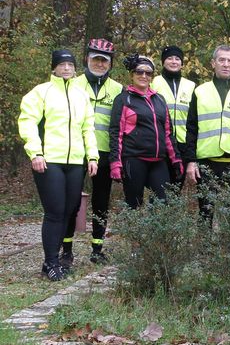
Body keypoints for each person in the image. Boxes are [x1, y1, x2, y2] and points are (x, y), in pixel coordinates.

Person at [18, 50, 99, 280]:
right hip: (49, 160)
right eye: (62, 64)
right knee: (54, 212)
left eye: (70, 65)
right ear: (53, 68)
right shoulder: (40, 93)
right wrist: (35, 152)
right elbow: (28, 123)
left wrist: (92, 157)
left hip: (75, 162)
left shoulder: (81, 95)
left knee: (69, 210)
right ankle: (50, 262)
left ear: (75, 68)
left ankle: (58, 259)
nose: (66, 68)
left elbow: (88, 128)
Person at [61, 38, 123, 265]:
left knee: (101, 201)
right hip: (76, 151)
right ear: (87, 59)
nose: (99, 64)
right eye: (95, 59)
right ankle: (66, 249)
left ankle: (98, 248)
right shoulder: (73, 84)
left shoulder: (118, 89)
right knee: (72, 201)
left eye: (104, 61)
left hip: (104, 152)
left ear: (110, 64)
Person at [184, 44, 230, 221]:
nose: (226, 64)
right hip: (206, 163)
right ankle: (205, 249)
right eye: (222, 60)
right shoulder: (200, 91)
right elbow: (191, 129)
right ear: (213, 63)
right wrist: (190, 161)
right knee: (205, 214)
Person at [109, 55, 183, 208]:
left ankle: (153, 232)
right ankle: (132, 232)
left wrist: (176, 159)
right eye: (139, 72)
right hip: (134, 159)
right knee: (134, 204)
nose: (143, 76)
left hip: (158, 161)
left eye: (148, 73)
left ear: (152, 76)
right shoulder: (123, 99)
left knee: (162, 201)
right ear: (131, 74)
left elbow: (168, 132)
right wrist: (115, 162)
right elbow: (116, 133)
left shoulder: (160, 99)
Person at [151, 45, 196, 185]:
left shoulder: (191, 85)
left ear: (182, 63)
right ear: (163, 62)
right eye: (169, 58)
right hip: (160, 142)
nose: (174, 61)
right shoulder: (154, 82)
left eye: (177, 59)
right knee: (160, 187)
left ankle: (174, 208)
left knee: (177, 187)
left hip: (183, 144)